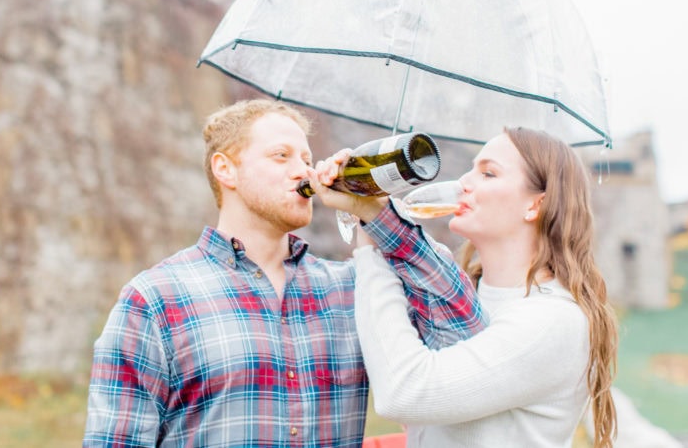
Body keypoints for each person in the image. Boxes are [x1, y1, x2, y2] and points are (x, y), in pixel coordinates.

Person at [82, 99, 485, 447]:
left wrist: (373, 213)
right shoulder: (154, 301)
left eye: (308, 160)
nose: (304, 172)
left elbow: (464, 330)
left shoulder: (353, 290)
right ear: (226, 169)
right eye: (281, 156)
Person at [310, 126, 619, 447]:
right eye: (471, 169)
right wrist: (365, 205)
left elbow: (403, 393)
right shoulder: (453, 296)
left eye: (488, 173)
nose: (463, 183)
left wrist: (371, 251)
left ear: (535, 205)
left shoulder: (554, 322)